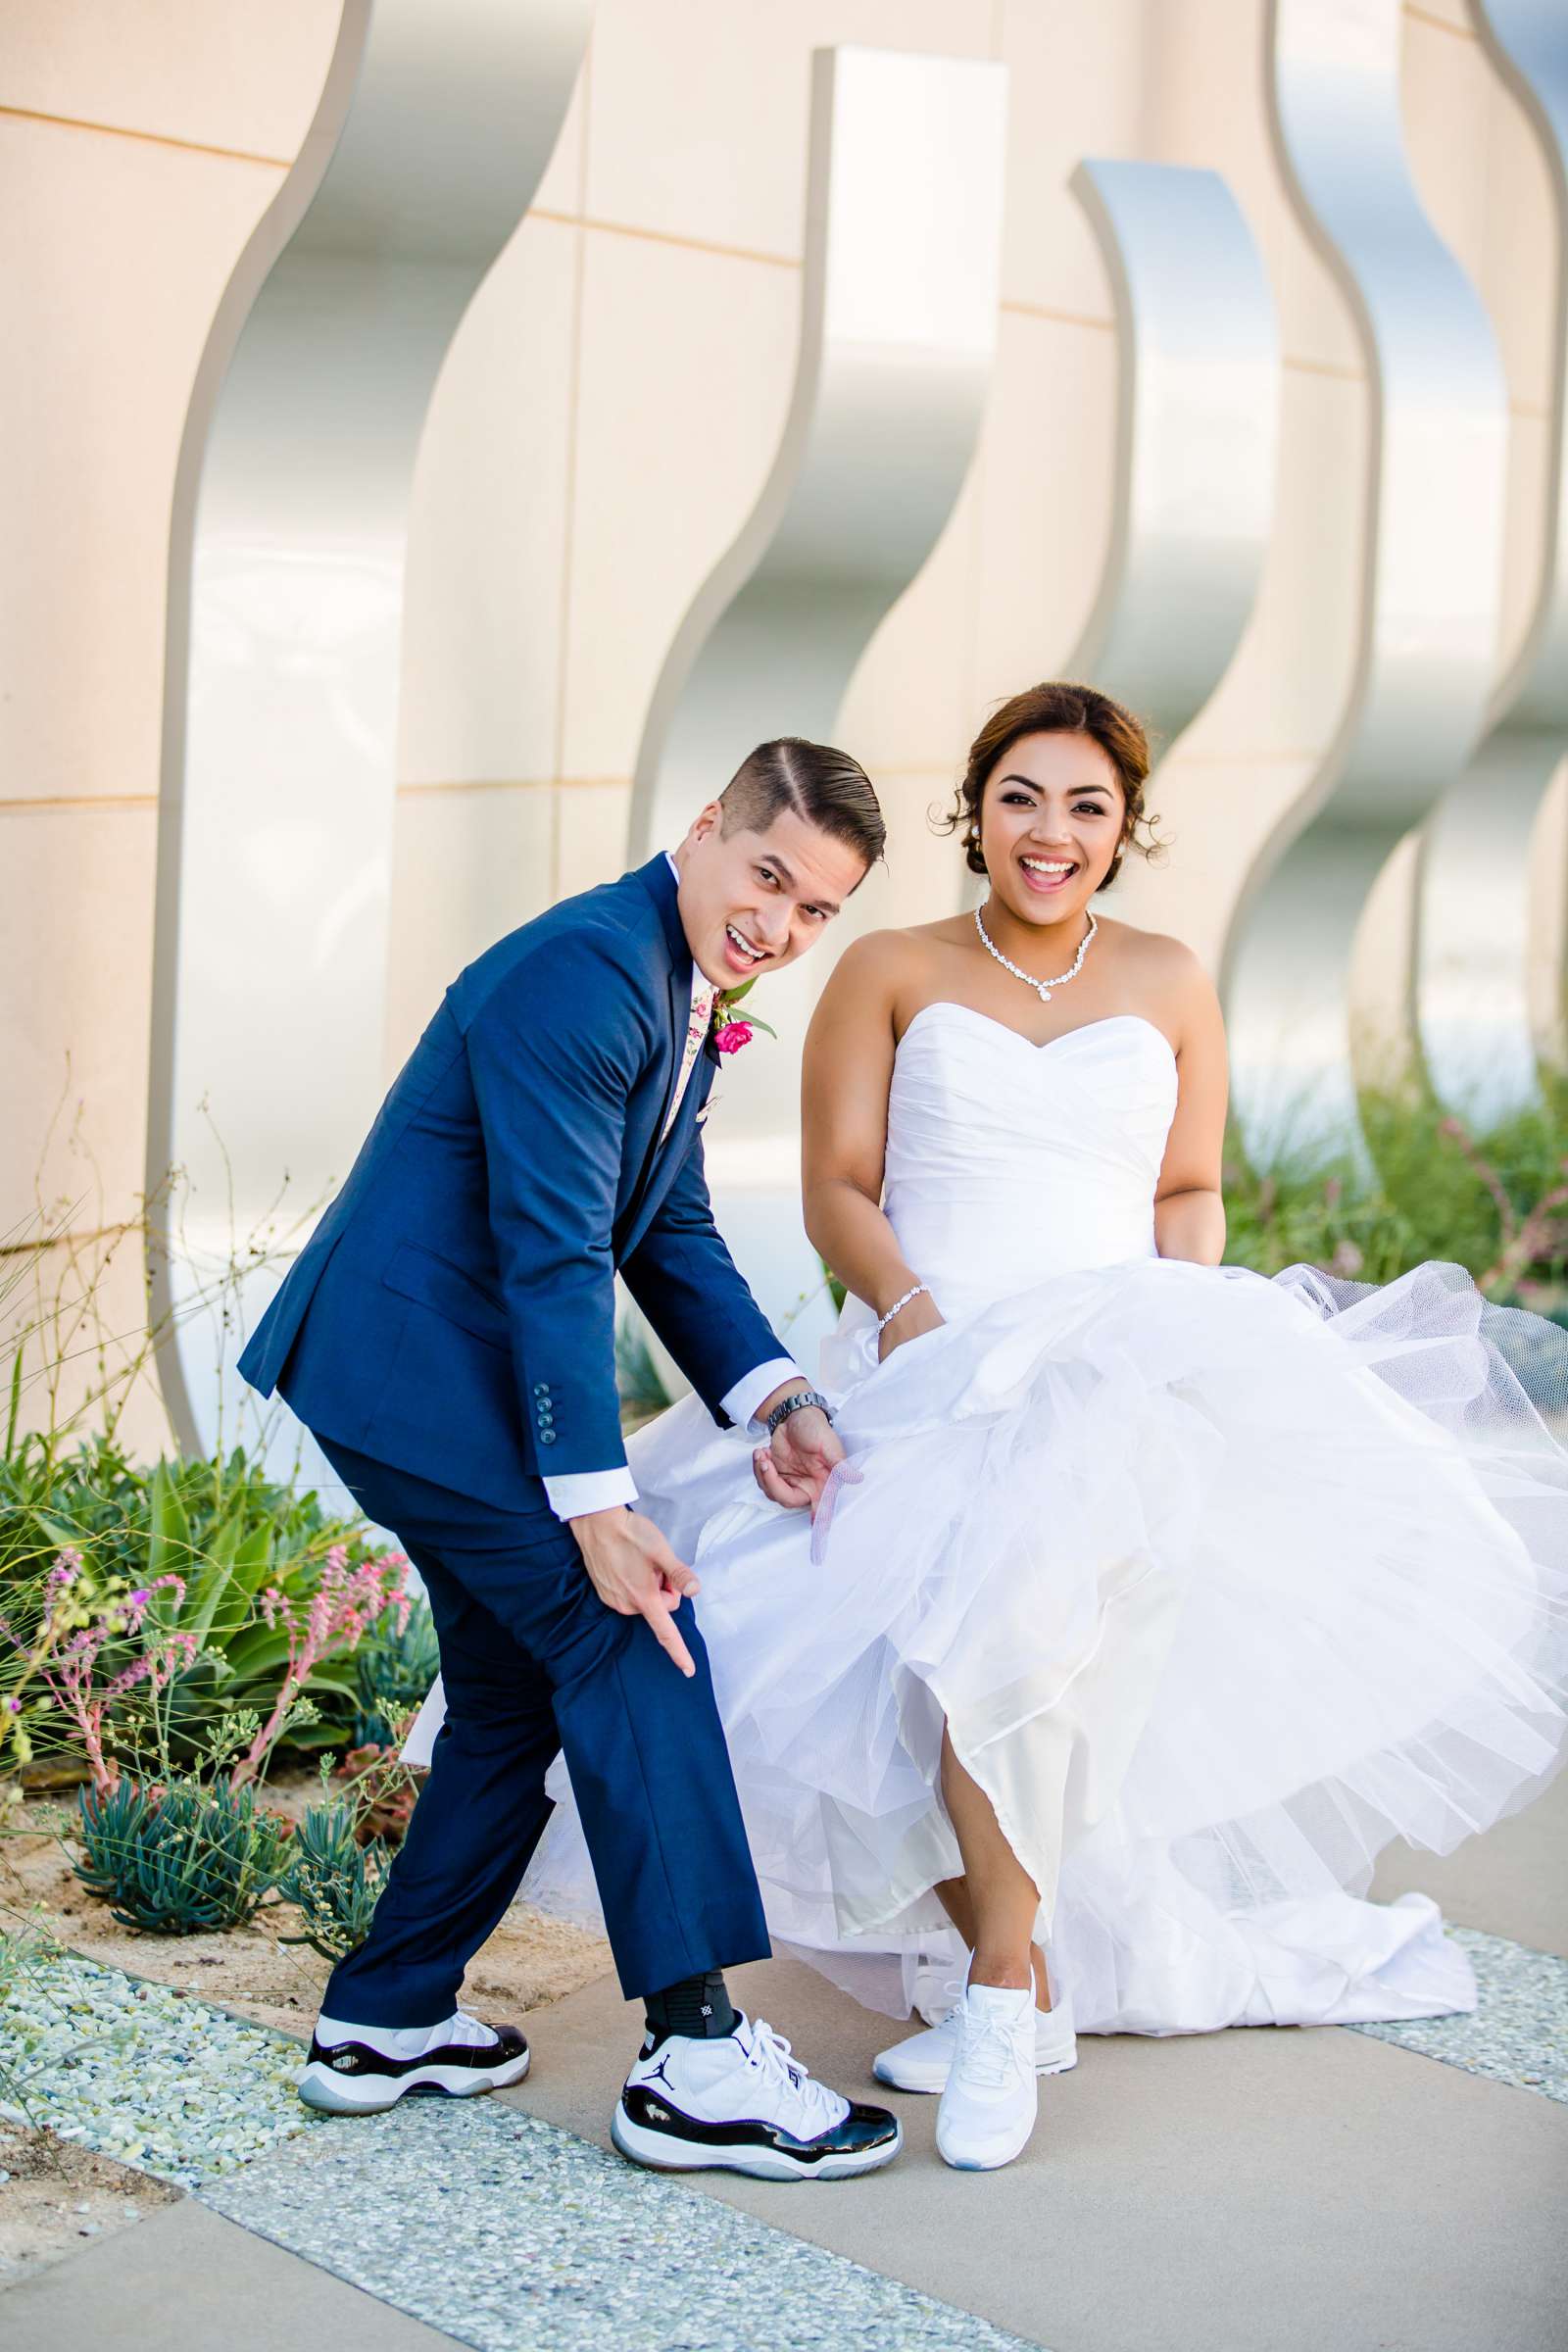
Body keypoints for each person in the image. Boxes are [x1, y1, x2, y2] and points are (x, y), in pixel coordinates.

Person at [491, 680, 1568, 2175]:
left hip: (1123, 1360)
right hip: (932, 1354)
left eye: (1085, 806)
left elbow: (1188, 1189)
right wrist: (923, 1326)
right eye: (1019, 797)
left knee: (1044, 1649)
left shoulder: (1177, 980)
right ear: (974, 813)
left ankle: (1007, 1994)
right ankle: (1016, 1977)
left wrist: (1182, 1319)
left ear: (1125, 830)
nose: (1048, 833)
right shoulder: (885, 964)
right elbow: (837, 1191)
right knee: (885, 1648)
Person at [238, 737, 906, 2181]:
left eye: (814, 911)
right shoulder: (586, 976)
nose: (777, 927)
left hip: (432, 1378)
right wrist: (599, 1507)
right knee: (633, 1634)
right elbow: (552, 1257)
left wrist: (775, 1393)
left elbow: (660, 1223)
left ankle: (386, 2018)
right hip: (416, 1376)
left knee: (503, 1693)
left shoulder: (674, 985)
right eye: (767, 875)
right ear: (708, 824)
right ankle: (700, 2059)